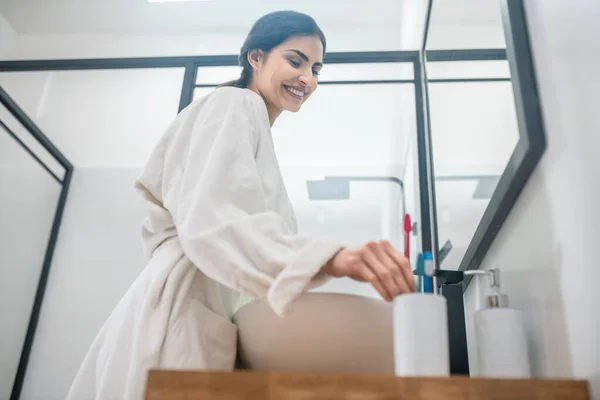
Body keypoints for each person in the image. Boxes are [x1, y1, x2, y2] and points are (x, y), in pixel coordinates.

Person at [65, 10, 416, 400]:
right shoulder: (235, 105)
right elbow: (216, 217)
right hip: (185, 307)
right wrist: (329, 258)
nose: (308, 79)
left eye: (316, 68)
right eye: (295, 61)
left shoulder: (248, 125)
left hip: (204, 308)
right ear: (256, 57)